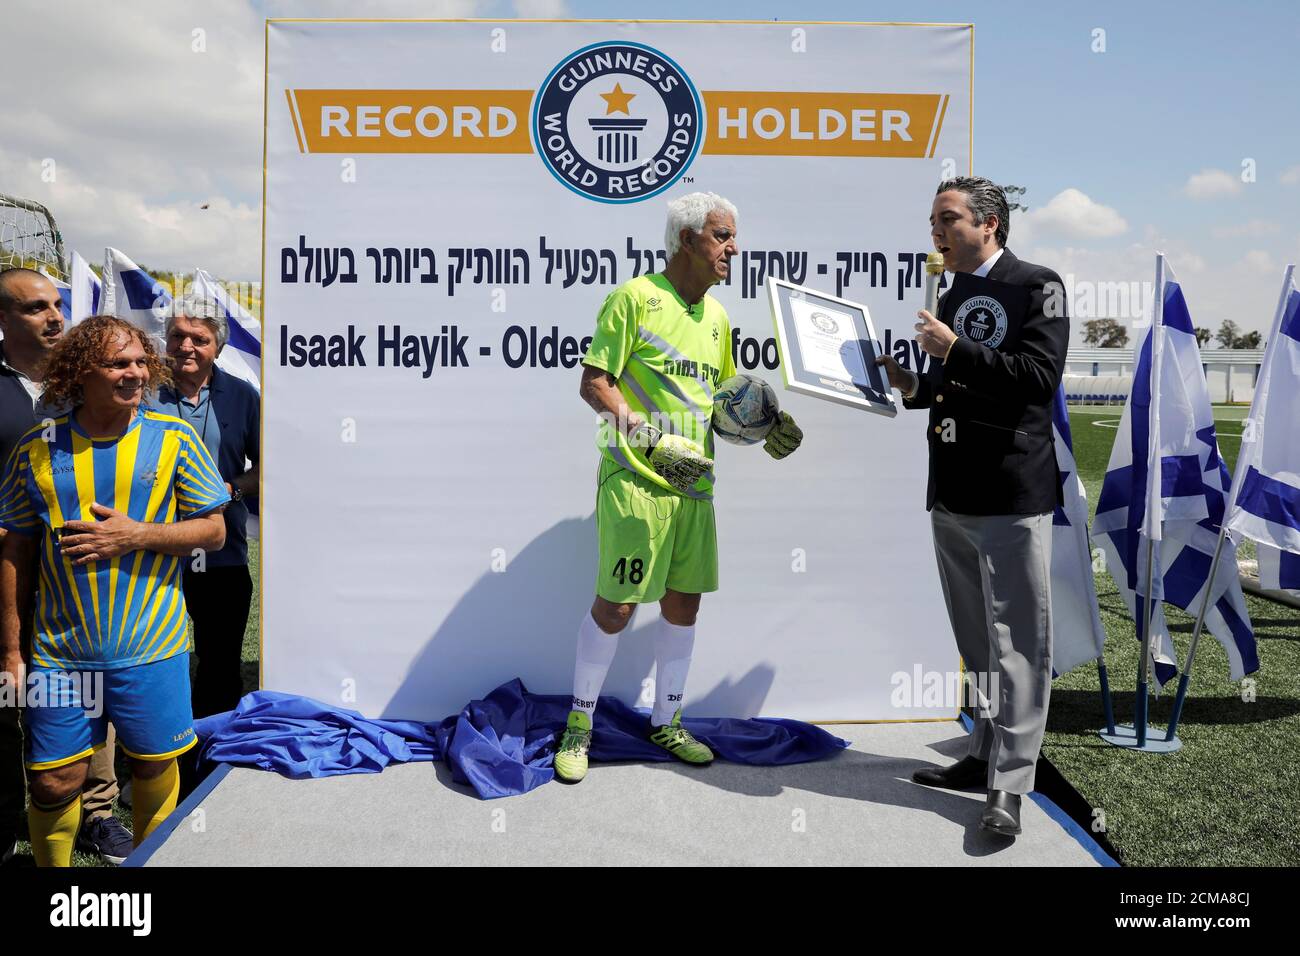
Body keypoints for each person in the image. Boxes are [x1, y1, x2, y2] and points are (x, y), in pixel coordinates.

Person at [553, 192, 804, 784]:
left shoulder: (717, 318)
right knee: (616, 607)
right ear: (687, 240)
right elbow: (594, 383)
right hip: (635, 480)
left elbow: (723, 403)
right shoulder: (634, 298)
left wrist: (764, 425)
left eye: (733, 237)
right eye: (722, 236)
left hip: (696, 484)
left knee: (683, 604)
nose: (733, 249)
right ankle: (579, 725)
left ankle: (667, 721)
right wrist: (642, 436)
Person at [876, 177, 1069, 835]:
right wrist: (913, 383)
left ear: (989, 224)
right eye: (932, 218)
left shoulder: (1038, 284)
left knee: (1019, 642)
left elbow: (1038, 380)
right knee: (978, 643)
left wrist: (955, 349)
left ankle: (1011, 787)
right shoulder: (950, 289)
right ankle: (983, 752)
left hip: (1010, 492)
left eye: (948, 218)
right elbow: (953, 387)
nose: (936, 229)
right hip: (952, 492)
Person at [0, 315, 229, 866]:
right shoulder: (37, 448)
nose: (135, 373)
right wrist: (11, 652)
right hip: (59, 654)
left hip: (154, 647)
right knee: (55, 783)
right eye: (117, 363)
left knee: (153, 765)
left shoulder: (173, 438)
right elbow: (14, 551)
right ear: (80, 372)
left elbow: (215, 531)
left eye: (139, 362)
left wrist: (137, 534)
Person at [0, 269, 133, 866]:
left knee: (86, 693)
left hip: (77, 577)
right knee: (8, 685)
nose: (55, 317)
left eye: (58, 305)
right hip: (8, 565)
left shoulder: (81, 387)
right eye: (36, 308)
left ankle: (97, 812)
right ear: (4, 318)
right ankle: (10, 813)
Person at [159, 295, 259, 721]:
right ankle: (158, 756)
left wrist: (231, 490)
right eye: (177, 336)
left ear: (217, 347)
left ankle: (211, 759)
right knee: (157, 664)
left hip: (222, 553)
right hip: (153, 553)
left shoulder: (242, 396)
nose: (186, 347)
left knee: (219, 664)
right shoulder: (138, 387)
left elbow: (270, 468)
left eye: (198, 339)